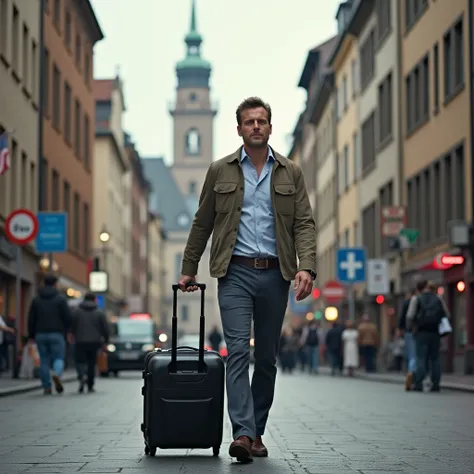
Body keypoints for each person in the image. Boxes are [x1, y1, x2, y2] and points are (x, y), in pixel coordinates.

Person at [177, 97, 316, 463]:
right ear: (239, 129)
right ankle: (241, 432)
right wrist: (189, 265)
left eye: (262, 121)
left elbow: (303, 223)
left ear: (270, 127)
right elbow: (202, 221)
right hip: (234, 271)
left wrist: (307, 266)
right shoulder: (219, 171)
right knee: (237, 350)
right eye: (249, 122)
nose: (256, 126)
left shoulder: (291, 173)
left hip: (276, 273)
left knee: (267, 358)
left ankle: (255, 431)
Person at [28, 274, 72, 395]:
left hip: (40, 334)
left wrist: (31, 336)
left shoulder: (36, 299)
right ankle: (56, 375)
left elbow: (31, 318)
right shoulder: (60, 299)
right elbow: (68, 318)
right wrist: (67, 330)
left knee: (44, 360)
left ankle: (47, 386)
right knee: (58, 357)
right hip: (57, 333)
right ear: (55, 284)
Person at [406, 279, 447, 392]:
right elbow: (446, 314)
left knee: (420, 357)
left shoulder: (416, 299)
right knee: (435, 358)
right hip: (435, 332)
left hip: (421, 332)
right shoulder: (438, 298)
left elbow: (410, 316)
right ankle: (436, 384)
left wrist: (410, 328)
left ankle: (419, 384)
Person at [70, 292, 109, 393]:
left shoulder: (76, 311)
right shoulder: (99, 312)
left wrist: (72, 334)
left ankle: (81, 376)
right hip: (94, 341)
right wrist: (106, 340)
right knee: (91, 363)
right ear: (94, 300)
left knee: (79, 361)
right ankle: (90, 384)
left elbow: (71, 325)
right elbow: (104, 328)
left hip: (79, 340)